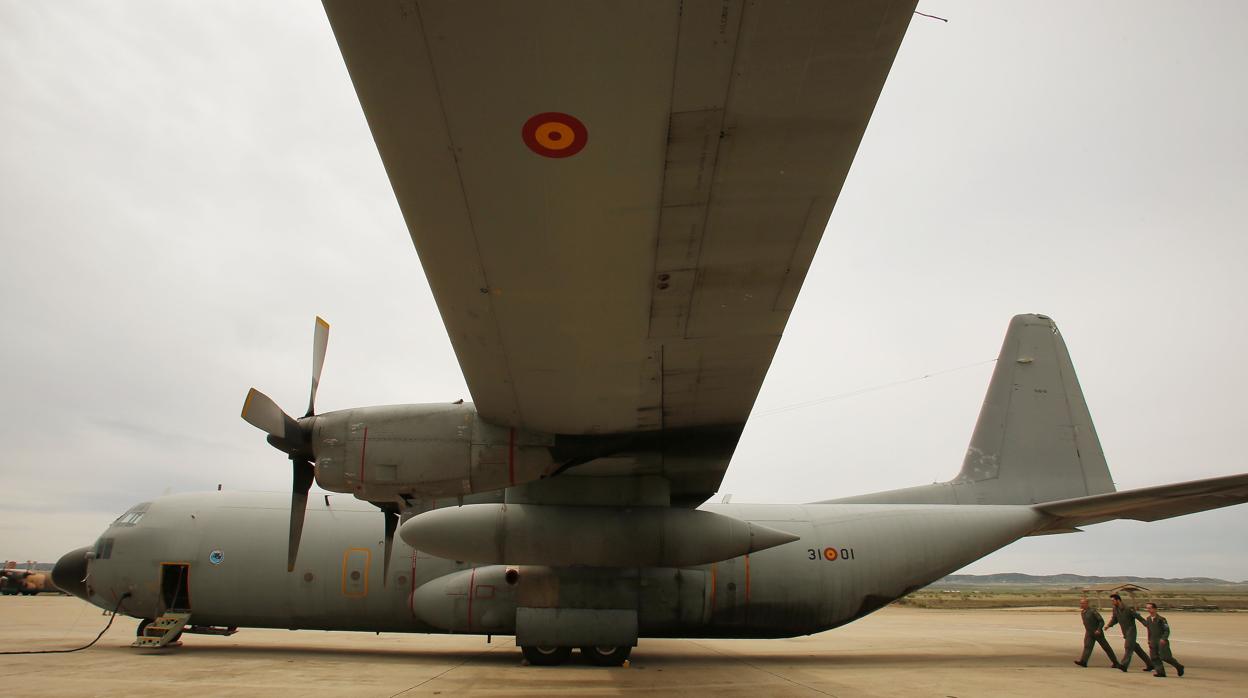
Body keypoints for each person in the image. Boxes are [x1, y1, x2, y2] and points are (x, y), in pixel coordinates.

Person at [1105, 593, 1152, 672]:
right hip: (1125, 631)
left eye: (1113, 601)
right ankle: (1150, 664)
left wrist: (1147, 624)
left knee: (1128, 646)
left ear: (1118, 600)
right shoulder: (1115, 609)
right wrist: (1108, 625)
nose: (1112, 602)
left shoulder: (1128, 608)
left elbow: (1138, 617)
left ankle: (1124, 665)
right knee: (1136, 648)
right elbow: (1114, 619)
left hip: (1131, 630)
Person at [1073, 598, 1120, 668]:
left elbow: (1101, 621)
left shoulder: (1092, 611)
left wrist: (1098, 629)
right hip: (1089, 633)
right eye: (1081, 603)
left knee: (1106, 648)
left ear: (1087, 604)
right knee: (1087, 647)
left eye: (1083, 603)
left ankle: (1115, 662)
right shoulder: (1083, 612)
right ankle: (1083, 662)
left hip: (1097, 633)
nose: (1081, 605)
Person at [1141, 602, 1185, 678]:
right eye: (1147, 608)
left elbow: (1167, 630)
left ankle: (1179, 666)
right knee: (1154, 657)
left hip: (1161, 641)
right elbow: (1149, 630)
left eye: (1150, 608)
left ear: (1155, 609)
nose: (1148, 610)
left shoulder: (1161, 619)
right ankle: (1160, 672)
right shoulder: (1148, 619)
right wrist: (1149, 640)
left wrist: (1164, 638)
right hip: (1153, 641)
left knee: (1165, 657)